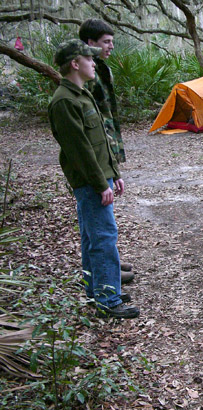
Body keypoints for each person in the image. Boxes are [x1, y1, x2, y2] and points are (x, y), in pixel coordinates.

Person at [48, 39, 140, 319]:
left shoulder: (81, 94)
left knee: (92, 237)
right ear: (75, 64)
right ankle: (107, 299)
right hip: (89, 182)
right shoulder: (64, 101)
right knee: (102, 238)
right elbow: (80, 150)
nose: (93, 64)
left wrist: (114, 175)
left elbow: (100, 141)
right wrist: (101, 184)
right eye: (89, 59)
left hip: (100, 178)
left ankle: (97, 290)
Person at [79, 18, 135, 284]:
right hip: (96, 152)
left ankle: (108, 261)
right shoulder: (85, 74)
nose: (111, 46)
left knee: (103, 219)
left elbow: (109, 114)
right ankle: (104, 271)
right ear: (91, 43)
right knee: (100, 220)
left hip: (108, 147)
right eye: (106, 42)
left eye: (112, 41)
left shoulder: (102, 69)